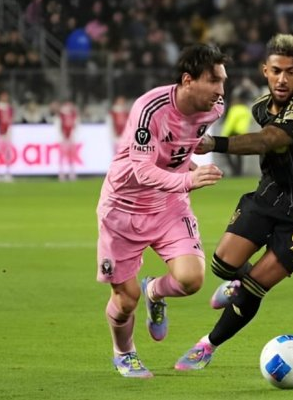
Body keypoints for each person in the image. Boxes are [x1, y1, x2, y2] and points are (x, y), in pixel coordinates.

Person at [174, 34, 293, 370]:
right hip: (270, 195)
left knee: (254, 287)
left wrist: (214, 144)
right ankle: (237, 284)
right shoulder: (261, 107)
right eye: (276, 71)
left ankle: (207, 345)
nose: (283, 79)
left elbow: (268, 140)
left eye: (291, 72)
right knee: (222, 265)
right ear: (265, 70)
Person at [96, 44, 227, 378]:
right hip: (123, 208)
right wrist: (188, 179)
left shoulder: (213, 109)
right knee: (125, 300)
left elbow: (180, 147)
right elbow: (142, 170)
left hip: (168, 204)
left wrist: (189, 164)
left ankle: (154, 290)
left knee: (191, 279)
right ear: (188, 80)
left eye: (223, 81)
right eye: (214, 81)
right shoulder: (150, 108)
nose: (221, 91)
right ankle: (124, 353)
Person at [219, 88, 252, 176]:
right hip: (242, 133)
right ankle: (239, 171)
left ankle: (234, 170)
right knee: (239, 154)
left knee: (226, 152)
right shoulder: (246, 110)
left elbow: (230, 123)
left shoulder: (235, 109)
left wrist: (224, 134)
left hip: (233, 133)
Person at [0, 91, 14, 182]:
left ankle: (7, 173)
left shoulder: (9, 108)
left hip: (7, 134)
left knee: (8, 154)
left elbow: (10, 120)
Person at [55, 100, 79, 181]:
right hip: (63, 138)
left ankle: (72, 173)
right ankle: (61, 174)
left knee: (71, 157)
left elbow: (76, 126)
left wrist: (73, 135)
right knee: (62, 156)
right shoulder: (60, 116)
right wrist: (61, 137)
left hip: (71, 138)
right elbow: (58, 127)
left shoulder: (73, 115)